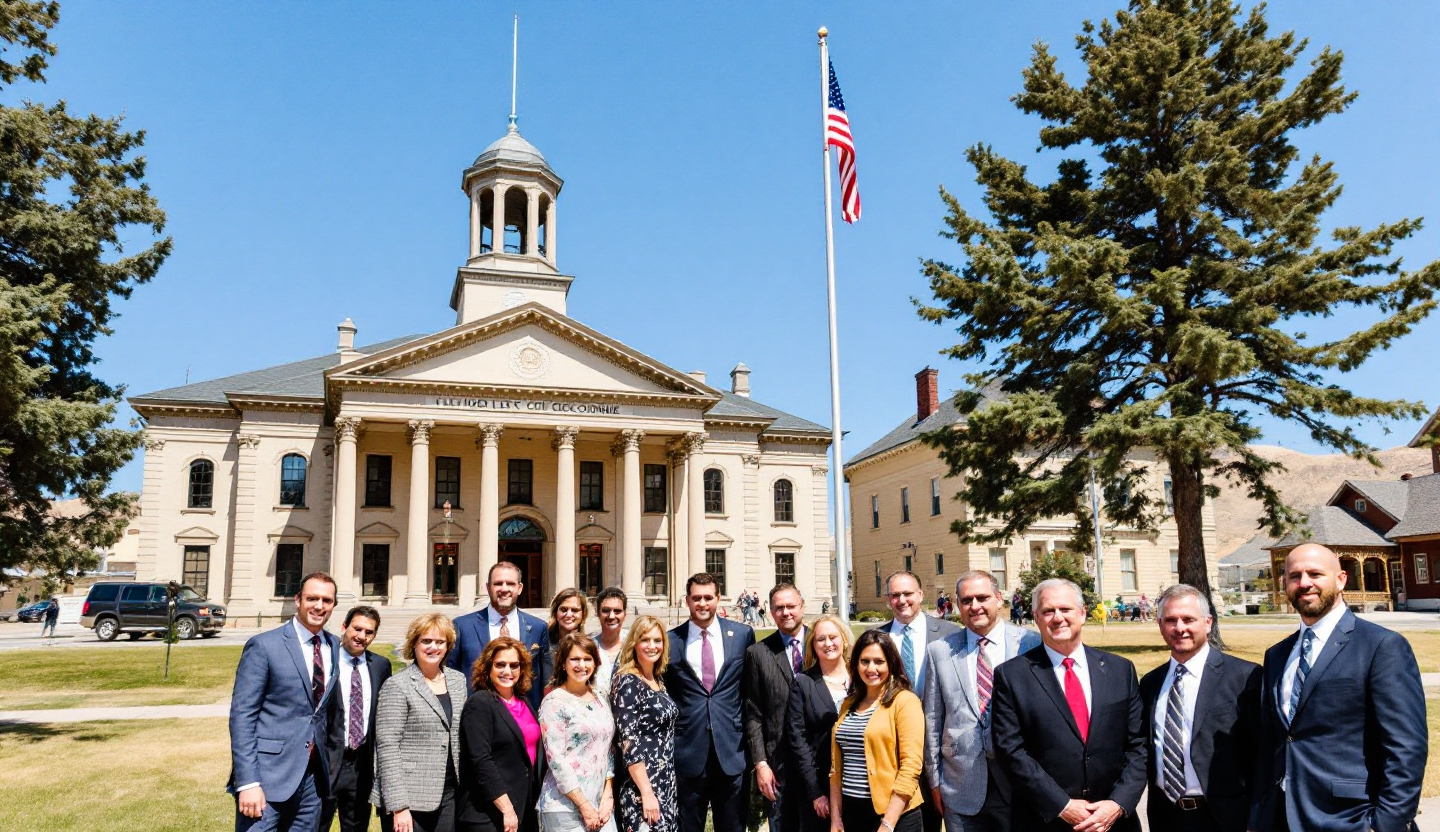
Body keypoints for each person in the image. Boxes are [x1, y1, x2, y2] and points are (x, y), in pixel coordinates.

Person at [1250, 543, 1427, 832]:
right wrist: (1258, 818)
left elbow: (1406, 748)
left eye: (1315, 573)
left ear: (1341, 579)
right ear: (1285, 584)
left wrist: (1385, 824)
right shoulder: (1277, 655)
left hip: (1352, 817)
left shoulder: (1381, 646)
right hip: (1283, 817)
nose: (1304, 583)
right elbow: (1273, 742)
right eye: (1294, 576)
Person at [990, 579, 1146, 832]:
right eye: (1048, 611)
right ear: (1037, 618)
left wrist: (1118, 803)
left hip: (1114, 821)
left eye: (1065, 609)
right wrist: (1062, 805)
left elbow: (1138, 745)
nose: (1057, 618)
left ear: (1083, 614)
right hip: (1045, 820)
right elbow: (1010, 750)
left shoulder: (1121, 670)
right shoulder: (1012, 676)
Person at [924, 571, 1041, 832]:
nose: (974, 606)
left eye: (982, 598)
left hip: (1019, 784)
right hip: (960, 787)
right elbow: (933, 720)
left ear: (999, 599)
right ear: (957, 605)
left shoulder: (1030, 644)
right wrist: (934, 782)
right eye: (966, 600)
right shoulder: (940, 651)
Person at [1138, 584, 1260, 832]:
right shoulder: (1151, 683)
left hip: (1226, 817)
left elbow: (1262, 753)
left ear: (1207, 622)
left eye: (1188, 619)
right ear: (1160, 625)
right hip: (1166, 816)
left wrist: (1257, 818)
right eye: (1171, 620)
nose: (1180, 628)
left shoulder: (1245, 677)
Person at [228, 571, 340, 832]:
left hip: (313, 781)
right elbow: (242, 717)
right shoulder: (264, 646)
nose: (319, 606)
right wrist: (248, 782)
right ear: (297, 600)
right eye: (312, 598)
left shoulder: (333, 646)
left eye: (327, 600)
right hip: (267, 779)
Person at [665, 573, 755, 832]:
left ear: (718, 598)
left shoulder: (742, 635)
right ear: (687, 601)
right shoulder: (671, 641)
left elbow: (749, 691)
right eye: (696, 598)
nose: (702, 603)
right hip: (688, 752)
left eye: (708, 597)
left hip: (732, 751)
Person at [873, 570, 959, 832]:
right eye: (895, 595)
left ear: (921, 595)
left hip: (941, 746)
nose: (902, 600)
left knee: (936, 819)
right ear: (888, 600)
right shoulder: (876, 637)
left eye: (908, 593)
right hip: (893, 748)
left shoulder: (950, 633)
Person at [374, 613, 469, 832]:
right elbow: (387, 747)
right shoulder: (397, 685)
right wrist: (399, 806)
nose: (433, 647)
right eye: (426, 641)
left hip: (449, 793)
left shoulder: (457, 681)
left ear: (448, 647)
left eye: (440, 642)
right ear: (414, 643)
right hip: (410, 796)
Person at [828, 629, 925, 832]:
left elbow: (911, 766)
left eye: (879, 661)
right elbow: (836, 768)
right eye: (865, 661)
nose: (871, 668)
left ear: (891, 663)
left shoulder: (905, 702)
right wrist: (836, 817)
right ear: (855, 664)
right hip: (853, 813)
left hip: (895, 817)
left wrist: (887, 824)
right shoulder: (848, 704)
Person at [457, 636, 545, 832]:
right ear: (488, 667)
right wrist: (506, 809)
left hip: (523, 806)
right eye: (500, 665)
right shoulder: (480, 703)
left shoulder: (524, 702)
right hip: (489, 813)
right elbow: (481, 760)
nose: (508, 671)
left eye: (514, 665)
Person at [324, 606, 395, 832]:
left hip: (361, 766)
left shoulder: (381, 666)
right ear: (344, 627)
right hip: (326, 763)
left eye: (369, 632)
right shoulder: (325, 660)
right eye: (357, 629)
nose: (362, 637)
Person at [744, 583, 807, 832]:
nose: (786, 613)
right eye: (779, 608)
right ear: (770, 611)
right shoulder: (758, 653)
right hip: (778, 764)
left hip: (821, 762)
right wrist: (760, 763)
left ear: (802, 607)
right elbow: (753, 713)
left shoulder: (823, 643)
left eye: (791, 606)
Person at [538, 632, 615, 832]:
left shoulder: (600, 696)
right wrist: (584, 805)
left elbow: (608, 749)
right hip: (564, 806)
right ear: (563, 663)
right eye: (575, 659)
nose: (582, 665)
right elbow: (555, 759)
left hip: (600, 802)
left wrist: (608, 794)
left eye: (587, 659)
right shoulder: (554, 702)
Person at [450, 561, 550, 709]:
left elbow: (545, 679)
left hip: (523, 715)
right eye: (498, 583)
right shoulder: (462, 626)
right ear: (488, 587)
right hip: (477, 715)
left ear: (520, 588)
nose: (504, 589)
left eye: (510, 583)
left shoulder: (538, 627)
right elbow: (451, 675)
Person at [786, 614, 853, 832]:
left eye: (832, 637)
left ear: (843, 639)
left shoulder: (863, 678)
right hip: (821, 783)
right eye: (820, 639)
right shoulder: (803, 683)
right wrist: (815, 792)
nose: (828, 644)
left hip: (861, 783)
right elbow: (798, 742)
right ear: (813, 646)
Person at [613, 614, 679, 832]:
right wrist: (647, 792)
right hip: (642, 788)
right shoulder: (627, 682)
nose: (652, 646)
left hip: (665, 782)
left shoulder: (657, 679)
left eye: (657, 640)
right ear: (634, 643)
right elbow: (628, 743)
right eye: (645, 640)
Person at [539, 588, 590, 695]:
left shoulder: (588, 646)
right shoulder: (542, 642)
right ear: (555, 612)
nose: (569, 614)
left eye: (575, 610)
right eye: (564, 609)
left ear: (583, 614)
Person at [593, 587, 628, 700]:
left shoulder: (635, 644)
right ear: (598, 613)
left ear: (625, 614)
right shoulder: (588, 646)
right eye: (606, 610)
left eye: (617, 611)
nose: (611, 616)